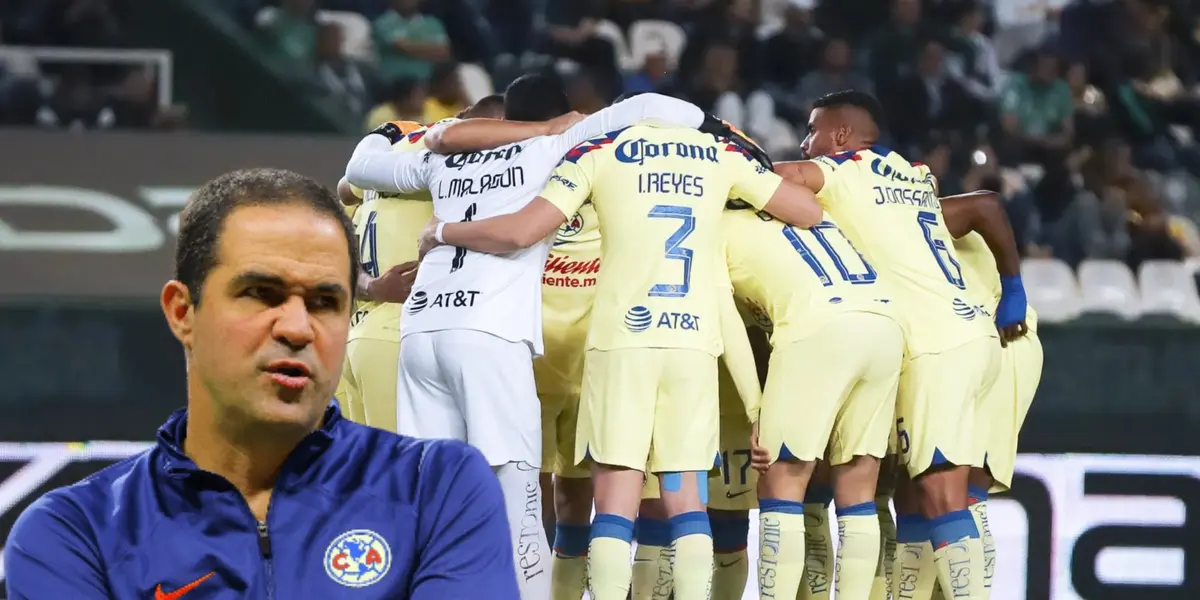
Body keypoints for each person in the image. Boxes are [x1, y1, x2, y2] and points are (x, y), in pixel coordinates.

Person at [3, 168, 519, 600]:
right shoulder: (75, 533)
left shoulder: (438, 489)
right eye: (260, 293)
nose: (297, 328)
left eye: (325, 302)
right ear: (183, 312)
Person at [414, 120, 824, 599]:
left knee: (614, 505)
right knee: (687, 501)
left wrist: (443, 231)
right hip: (692, 344)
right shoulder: (716, 155)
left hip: (621, 345)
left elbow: (524, 231)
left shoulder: (602, 149)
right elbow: (808, 210)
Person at [344, 78, 719, 600]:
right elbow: (659, 105)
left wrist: (407, 130)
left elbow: (359, 166)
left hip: (421, 328)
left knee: (434, 491)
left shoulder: (440, 161)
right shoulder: (553, 148)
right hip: (489, 335)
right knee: (520, 498)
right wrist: (721, 134)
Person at [772, 90, 1027, 600]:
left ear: (840, 136)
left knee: (942, 497)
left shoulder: (846, 170)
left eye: (812, 130)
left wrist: (721, 157)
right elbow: (982, 207)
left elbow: (781, 177)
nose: (806, 143)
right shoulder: (912, 175)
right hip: (971, 337)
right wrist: (1013, 288)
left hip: (933, 347)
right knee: (922, 495)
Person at [724, 190, 904, 600]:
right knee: (858, 491)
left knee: (780, 483)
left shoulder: (716, 227)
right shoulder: (804, 209)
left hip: (818, 326)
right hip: (885, 324)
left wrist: (756, 410)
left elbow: (728, 326)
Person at [336, 99, 508, 430]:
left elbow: (346, 192)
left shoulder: (397, 146)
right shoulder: (463, 159)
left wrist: (370, 286)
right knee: (404, 472)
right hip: (403, 335)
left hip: (364, 334)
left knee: (369, 472)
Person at [938, 190, 1043, 598]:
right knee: (954, 493)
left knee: (960, 489)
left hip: (1002, 336)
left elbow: (987, 204)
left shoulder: (908, 209)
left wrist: (1013, 288)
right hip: (979, 343)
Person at [536, 196, 601, 600]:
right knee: (533, 489)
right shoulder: (527, 182)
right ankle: (535, 584)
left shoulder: (608, 177)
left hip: (590, 363)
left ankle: (564, 591)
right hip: (533, 363)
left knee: (577, 489)